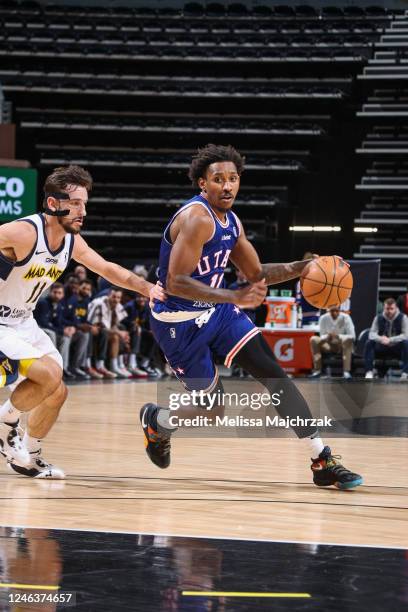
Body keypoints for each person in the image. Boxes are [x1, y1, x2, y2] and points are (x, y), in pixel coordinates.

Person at [140, 144, 362, 490]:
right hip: (177, 322)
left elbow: (256, 273)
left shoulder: (232, 222)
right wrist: (234, 295)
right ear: (203, 184)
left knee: (274, 374)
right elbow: (175, 282)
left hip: (218, 312)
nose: (227, 186)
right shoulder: (197, 219)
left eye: (232, 179)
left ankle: (322, 459)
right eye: (218, 180)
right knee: (212, 409)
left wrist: (304, 267)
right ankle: (158, 423)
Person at [0, 164, 164, 478]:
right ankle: (6, 423)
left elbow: (107, 269)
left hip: (24, 322)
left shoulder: (72, 242)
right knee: (49, 375)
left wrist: (146, 289)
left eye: (84, 204)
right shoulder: (23, 232)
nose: (82, 211)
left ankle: (29, 457)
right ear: (52, 204)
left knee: (58, 390)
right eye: (75, 203)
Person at [87, 286, 133, 378]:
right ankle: (100, 365)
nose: (116, 300)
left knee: (122, 331)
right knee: (113, 335)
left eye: (118, 297)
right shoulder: (100, 304)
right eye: (114, 296)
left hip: (103, 330)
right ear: (108, 295)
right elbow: (99, 327)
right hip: (91, 328)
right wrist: (119, 333)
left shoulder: (118, 305)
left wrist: (122, 333)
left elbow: (114, 325)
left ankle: (118, 365)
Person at [34, 282, 77, 379]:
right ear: (50, 292)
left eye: (59, 293)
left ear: (63, 295)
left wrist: (67, 329)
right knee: (52, 334)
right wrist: (61, 331)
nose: (57, 295)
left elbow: (58, 322)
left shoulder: (59, 305)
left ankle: (62, 368)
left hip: (49, 329)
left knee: (66, 338)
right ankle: (52, 366)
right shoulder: (43, 303)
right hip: (37, 329)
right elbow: (42, 322)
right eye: (55, 292)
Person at [364, 298, 408, 380]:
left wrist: (390, 340)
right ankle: (369, 372)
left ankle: (405, 373)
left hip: (396, 347)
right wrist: (381, 339)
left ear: (396, 308)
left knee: (406, 343)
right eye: (387, 309)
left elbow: (406, 335)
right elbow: (371, 334)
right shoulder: (378, 317)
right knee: (369, 343)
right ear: (384, 308)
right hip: (382, 346)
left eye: (392, 309)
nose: (389, 311)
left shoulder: (403, 317)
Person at [309, 306, 355, 379]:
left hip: (341, 345)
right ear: (328, 311)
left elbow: (352, 336)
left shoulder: (346, 318)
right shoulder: (323, 318)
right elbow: (322, 335)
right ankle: (317, 370)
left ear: (339, 310)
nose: (334, 313)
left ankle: (346, 371)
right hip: (328, 344)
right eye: (332, 311)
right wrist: (327, 336)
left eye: (336, 311)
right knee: (313, 339)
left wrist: (338, 336)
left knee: (348, 340)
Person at [64, 278, 94, 379]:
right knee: (77, 336)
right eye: (84, 288)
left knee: (86, 334)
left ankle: (76, 367)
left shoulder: (86, 302)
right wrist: (78, 326)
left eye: (88, 289)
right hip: (67, 329)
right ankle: (65, 368)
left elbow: (86, 320)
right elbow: (65, 318)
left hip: (77, 330)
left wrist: (90, 326)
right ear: (79, 287)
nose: (86, 291)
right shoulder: (71, 300)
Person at [295, 251, 320, 326]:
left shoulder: (321, 281)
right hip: (304, 318)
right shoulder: (300, 283)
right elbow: (298, 303)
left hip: (318, 317)